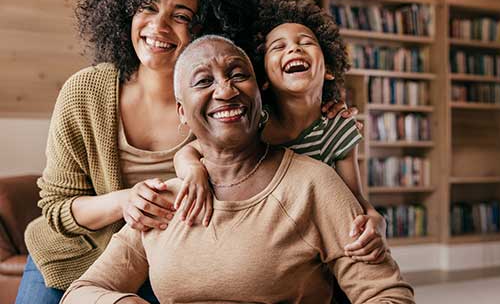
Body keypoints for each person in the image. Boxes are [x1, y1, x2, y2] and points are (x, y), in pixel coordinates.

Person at [60, 35, 415, 304]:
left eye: (237, 75)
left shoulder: (313, 184)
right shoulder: (163, 201)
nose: (225, 90)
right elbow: (81, 292)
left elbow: (387, 295)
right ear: (183, 112)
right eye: (203, 81)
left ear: (260, 94)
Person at [16, 0, 260, 304]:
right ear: (125, 11)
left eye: (181, 16)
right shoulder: (85, 92)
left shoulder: (224, 102)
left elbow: (288, 140)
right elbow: (56, 207)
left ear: (206, 28)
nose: (158, 26)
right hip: (70, 258)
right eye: (148, 7)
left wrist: (329, 107)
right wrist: (125, 201)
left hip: (168, 265)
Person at [174, 0, 388, 263]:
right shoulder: (253, 122)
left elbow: (354, 199)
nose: (294, 49)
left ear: (329, 68)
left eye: (306, 42)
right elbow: (189, 152)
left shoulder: (339, 128)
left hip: (312, 244)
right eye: (279, 46)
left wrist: (377, 221)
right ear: (262, 79)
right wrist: (193, 170)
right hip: (255, 239)